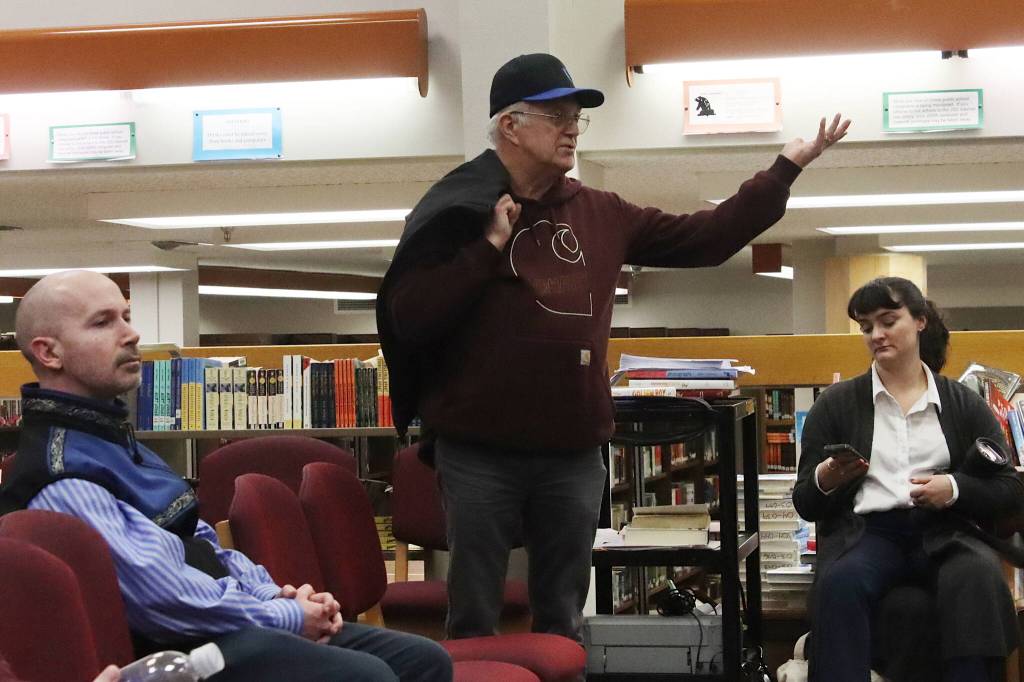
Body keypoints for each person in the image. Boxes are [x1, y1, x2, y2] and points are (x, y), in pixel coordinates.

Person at [377, 52, 851, 641]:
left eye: (577, 115)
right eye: (556, 115)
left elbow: (705, 239)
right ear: (510, 126)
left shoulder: (602, 213)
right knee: (474, 617)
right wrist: (486, 250)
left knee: (563, 618)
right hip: (479, 451)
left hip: (572, 451)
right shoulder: (460, 212)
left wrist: (782, 171)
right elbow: (411, 316)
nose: (572, 126)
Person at [0, 270, 452, 682]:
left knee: (422, 661)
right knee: (368, 677)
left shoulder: (110, 439)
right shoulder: (64, 472)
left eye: (126, 316)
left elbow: (197, 542)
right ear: (48, 352)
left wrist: (275, 596)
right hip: (176, 654)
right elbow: (164, 600)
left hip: (220, 630)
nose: (131, 333)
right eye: (103, 322)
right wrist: (288, 618)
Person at [792, 277, 1023, 682]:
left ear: (920, 321)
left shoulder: (961, 403)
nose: (876, 335)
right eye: (866, 327)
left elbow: (1009, 487)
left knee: (977, 577)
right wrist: (827, 477)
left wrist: (952, 488)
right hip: (869, 533)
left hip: (945, 530)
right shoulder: (836, 404)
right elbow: (805, 502)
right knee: (839, 583)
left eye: (888, 321)